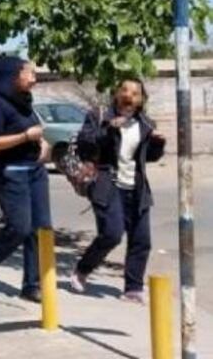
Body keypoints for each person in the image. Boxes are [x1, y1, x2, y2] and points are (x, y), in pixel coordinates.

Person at [70, 78, 166, 304]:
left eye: (135, 93)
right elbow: (85, 145)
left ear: (141, 100)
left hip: (137, 187)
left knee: (141, 240)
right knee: (112, 233)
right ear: (116, 94)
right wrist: (108, 129)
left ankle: (133, 288)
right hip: (107, 184)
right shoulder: (99, 116)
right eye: (124, 90)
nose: (129, 96)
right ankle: (82, 269)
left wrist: (157, 145)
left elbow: (148, 157)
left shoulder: (145, 123)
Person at [0, 56, 51, 302]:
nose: (34, 79)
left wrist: (42, 143)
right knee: (19, 227)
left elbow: (35, 131)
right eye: (29, 73)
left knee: (41, 228)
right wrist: (26, 136)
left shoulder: (25, 102)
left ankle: (32, 285)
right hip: (11, 172)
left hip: (35, 171)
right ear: (12, 76)